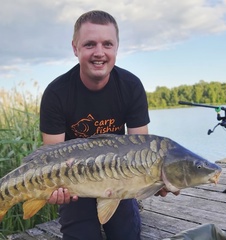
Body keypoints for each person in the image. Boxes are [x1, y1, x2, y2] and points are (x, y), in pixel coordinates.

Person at [40, 10, 175, 240]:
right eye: (90, 44)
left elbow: (144, 151)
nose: (99, 53)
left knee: (127, 235)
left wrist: (156, 181)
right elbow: (50, 159)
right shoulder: (56, 93)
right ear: (75, 48)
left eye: (107, 44)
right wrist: (53, 189)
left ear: (116, 48)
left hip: (119, 179)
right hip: (75, 184)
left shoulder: (131, 86)